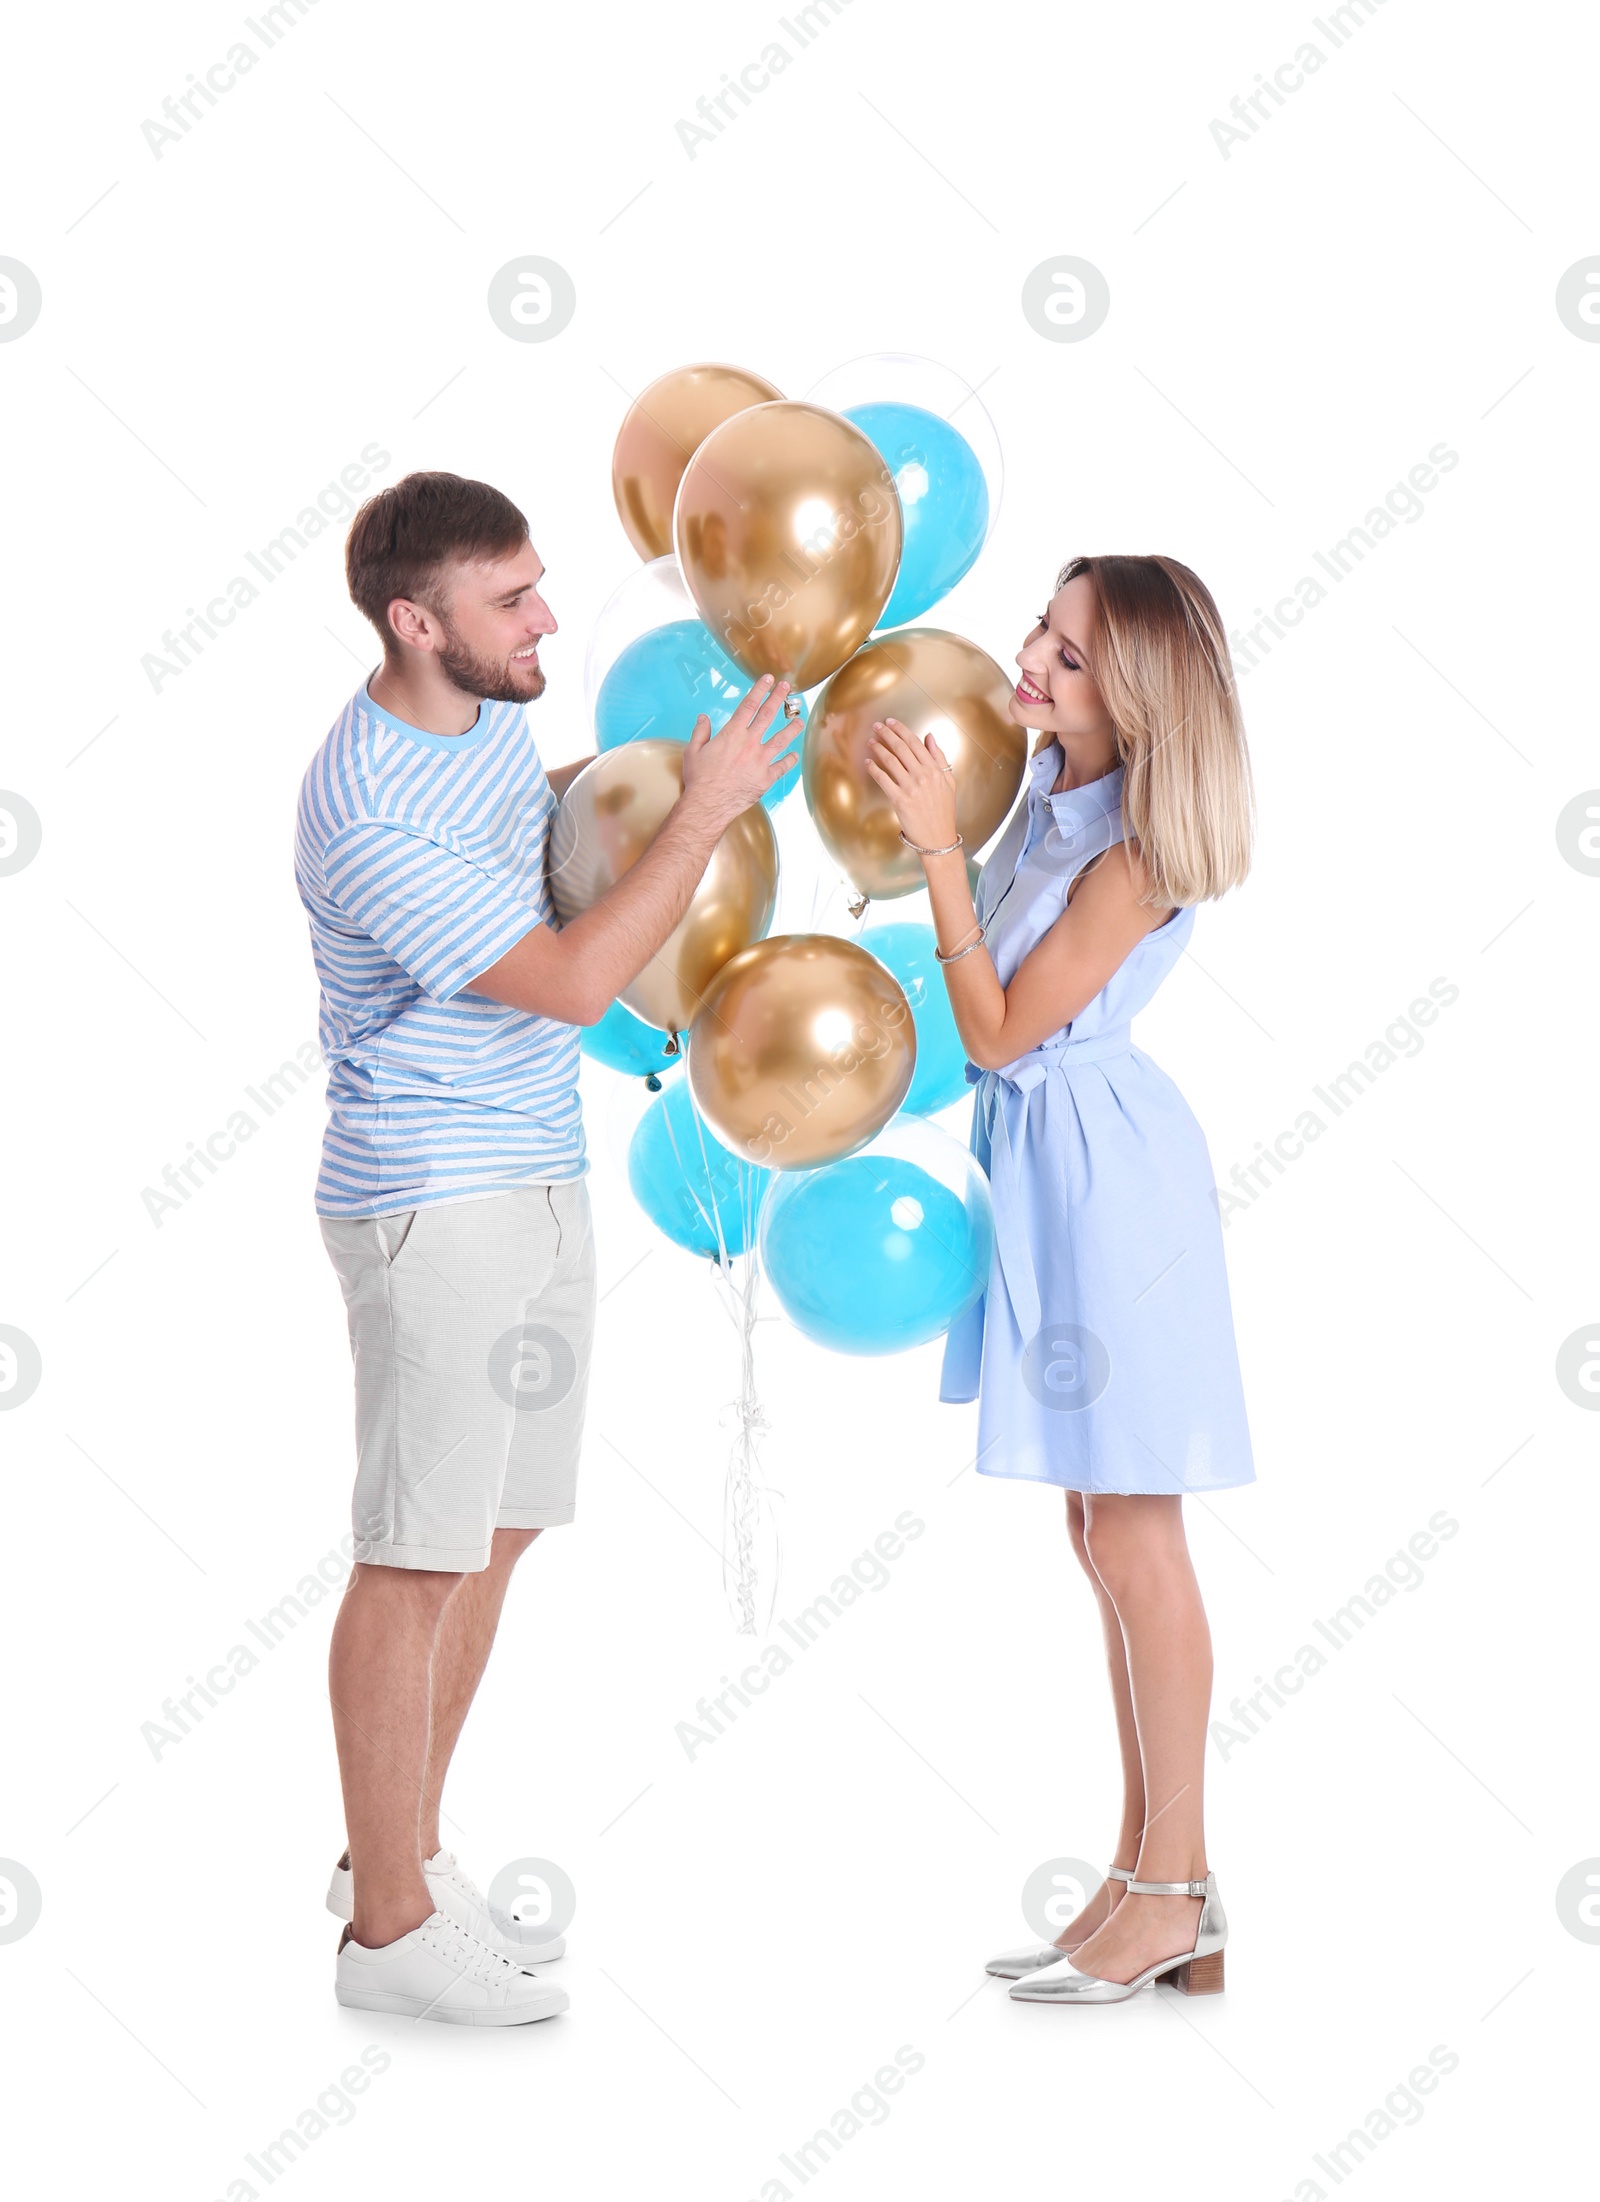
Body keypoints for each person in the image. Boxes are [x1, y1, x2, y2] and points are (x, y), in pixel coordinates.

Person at [296, 471, 794, 2024]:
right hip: (431, 1197)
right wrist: (704, 814)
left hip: (537, 1175)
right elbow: (576, 982)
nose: (549, 620)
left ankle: (403, 1854)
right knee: (411, 1550)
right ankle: (386, 1932)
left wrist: (654, 776)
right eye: (513, 601)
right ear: (414, 622)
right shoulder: (368, 807)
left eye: (539, 584)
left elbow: (537, 826)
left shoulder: (479, 713)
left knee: (498, 1528)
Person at [864, 554, 1254, 2006]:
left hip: (1106, 1181)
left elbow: (1009, 1032)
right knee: (1099, 1530)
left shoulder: (1135, 848)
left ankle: (1179, 1885)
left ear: (1140, 693)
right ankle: (1147, 1872)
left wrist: (937, 856)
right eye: (1047, 625)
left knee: (1138, 1535)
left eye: (1075, 655)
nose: (1034, 656)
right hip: (1046, 1173)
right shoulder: (1048, 792)